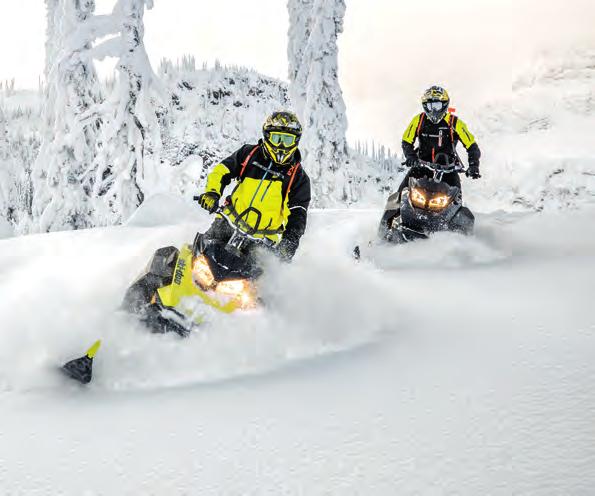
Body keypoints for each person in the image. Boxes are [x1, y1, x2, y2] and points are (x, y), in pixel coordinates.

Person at [197, 111, 311, 261]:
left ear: (295, 141)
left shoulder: (298, 178)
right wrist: (212, 193)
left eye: (287, 140)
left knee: (261, 282)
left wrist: (289, 242)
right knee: (198, 258)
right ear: (267, 136)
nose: (281, 145)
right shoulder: (248, 154)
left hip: (262, 241)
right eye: (277, 138)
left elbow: (298, 214)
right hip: (227, 223)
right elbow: (222, 170)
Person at [399, 85, 481, 195]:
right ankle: (392, 211)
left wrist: (473, 165)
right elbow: (406, 141)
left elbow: (472, 146)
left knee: (457, 201)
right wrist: (410, 156)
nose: (433, 110)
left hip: (448, 171)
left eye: (437, 105)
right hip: (421, 167)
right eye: (430, 105)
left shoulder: (455, 123)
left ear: (444, 105)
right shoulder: (419, 120)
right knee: (400, 195)